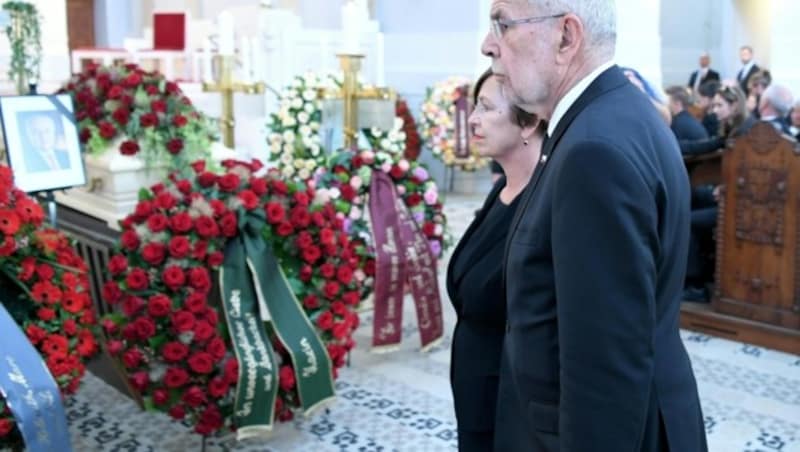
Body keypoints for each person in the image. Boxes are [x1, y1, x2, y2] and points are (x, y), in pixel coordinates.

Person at [481, 1, 707, 450]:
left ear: (567, 37)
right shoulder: (612, 115)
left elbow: (603, 369)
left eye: (503, 24)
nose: (489, 45)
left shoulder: (593, 150)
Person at [446, 68, 544, 452]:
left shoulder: (543, 200)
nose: (472, 119)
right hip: (476, 390)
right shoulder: (503, 187)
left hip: (510, 404)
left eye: (486, 108)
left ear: (529, 122)